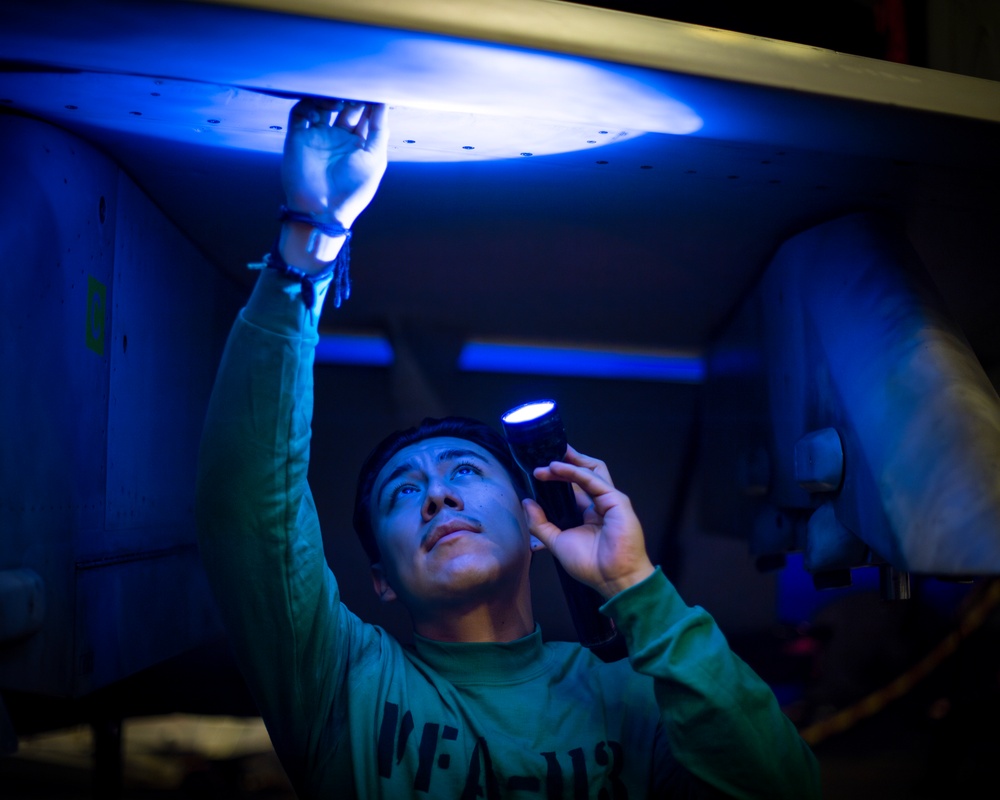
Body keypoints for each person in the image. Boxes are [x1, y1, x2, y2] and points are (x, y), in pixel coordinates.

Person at [195, 98, 820, 799]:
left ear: (535, 527)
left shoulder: (626, 698)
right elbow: (252, 503)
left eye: (465, 469)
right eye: (403, 491)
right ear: (378, 578)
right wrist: (311, 241)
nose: (437, 492)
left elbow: (783, 787)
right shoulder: (342, 682)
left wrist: (636, 588)